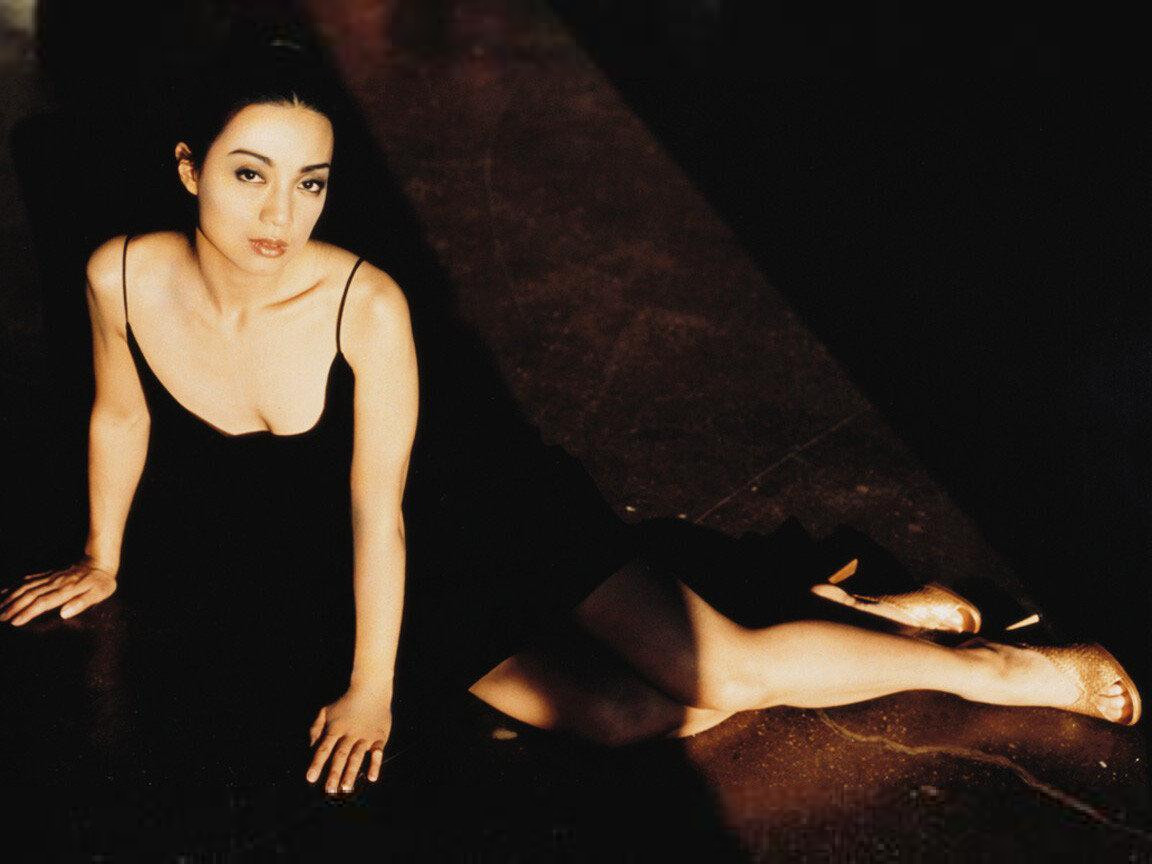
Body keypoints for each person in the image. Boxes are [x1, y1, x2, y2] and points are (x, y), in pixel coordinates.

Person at [1, 39, 1141, 804]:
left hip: (478, 510)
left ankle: (1005, 669)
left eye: (311, 182)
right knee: (622, 716)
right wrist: (103, 555)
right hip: (367, 573)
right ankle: (844, 615)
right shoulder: (119, 276)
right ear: (189, 167)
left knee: (726, 674)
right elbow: (119, 414)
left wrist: (372, 685)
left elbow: (380, 508)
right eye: (250, 174)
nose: (281, 213)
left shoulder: (363, 303)